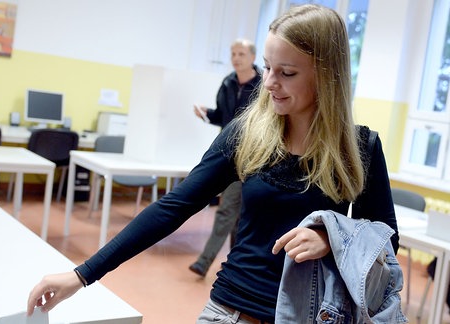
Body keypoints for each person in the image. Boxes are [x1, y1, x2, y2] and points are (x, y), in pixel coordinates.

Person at [27, 5, 401, 323]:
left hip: (315, 313)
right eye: (267, 67)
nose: (269, 82)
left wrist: (330, 238)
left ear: (326, 75)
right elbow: (172, 208)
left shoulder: (360, 147)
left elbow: (386, 236)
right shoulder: (247, 133)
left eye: (286, 73)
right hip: (230, 309)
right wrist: (81, 275)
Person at [190, 38, 262, 277]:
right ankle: (211, 262)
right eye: (233, 53)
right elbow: (223, 116)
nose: (236, 57)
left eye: (241, 53)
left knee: (242, 213)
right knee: (229, 210)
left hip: (257, 156)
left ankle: (230, 264)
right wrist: (207, 115)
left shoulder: (264, 84)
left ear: (252, 57)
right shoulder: (228, 82)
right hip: (230, 155)